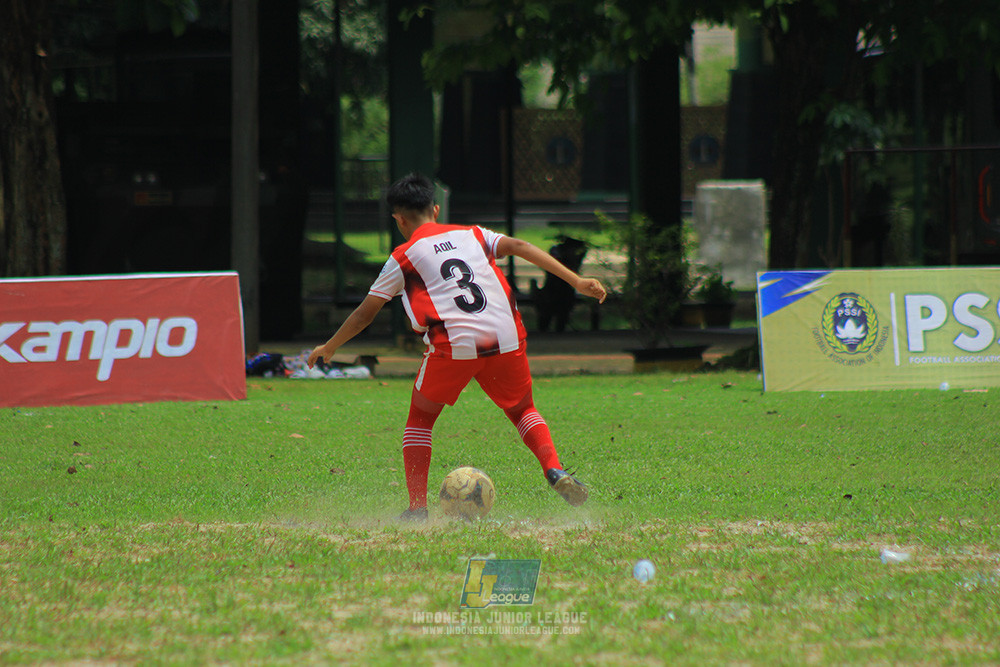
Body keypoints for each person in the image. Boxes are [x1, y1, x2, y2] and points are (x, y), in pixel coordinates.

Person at [308, 173, 607, 521]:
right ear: (435, 209)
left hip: (455, 344)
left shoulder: (404, 256)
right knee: (523, 409)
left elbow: (364, 314)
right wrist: (576, 281)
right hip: (505, 337)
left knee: (420, 419)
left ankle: (417, 509)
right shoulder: (475, 235)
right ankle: (554, 469)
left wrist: (329, 347)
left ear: (399, 220)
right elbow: (521, 247)